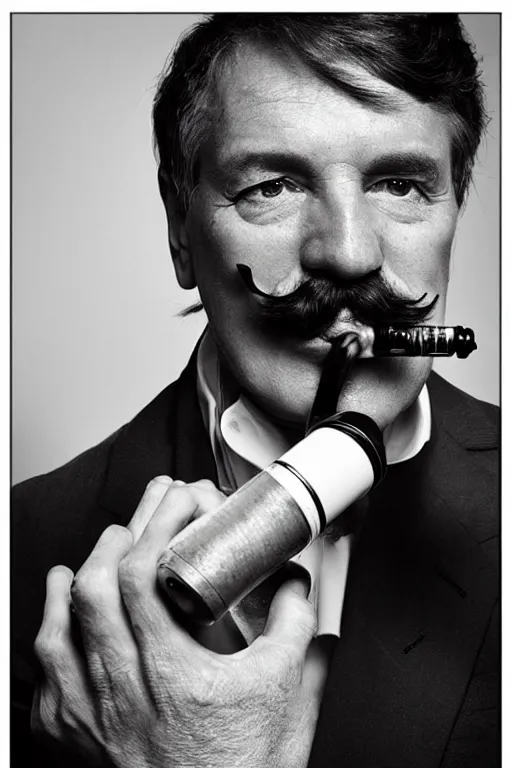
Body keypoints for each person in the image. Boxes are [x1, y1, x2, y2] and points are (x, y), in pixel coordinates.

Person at [12, 13, 499, 768]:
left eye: (400, 184)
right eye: (272, 186)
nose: (347, 251)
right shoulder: (24, 547)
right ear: (181, 228)